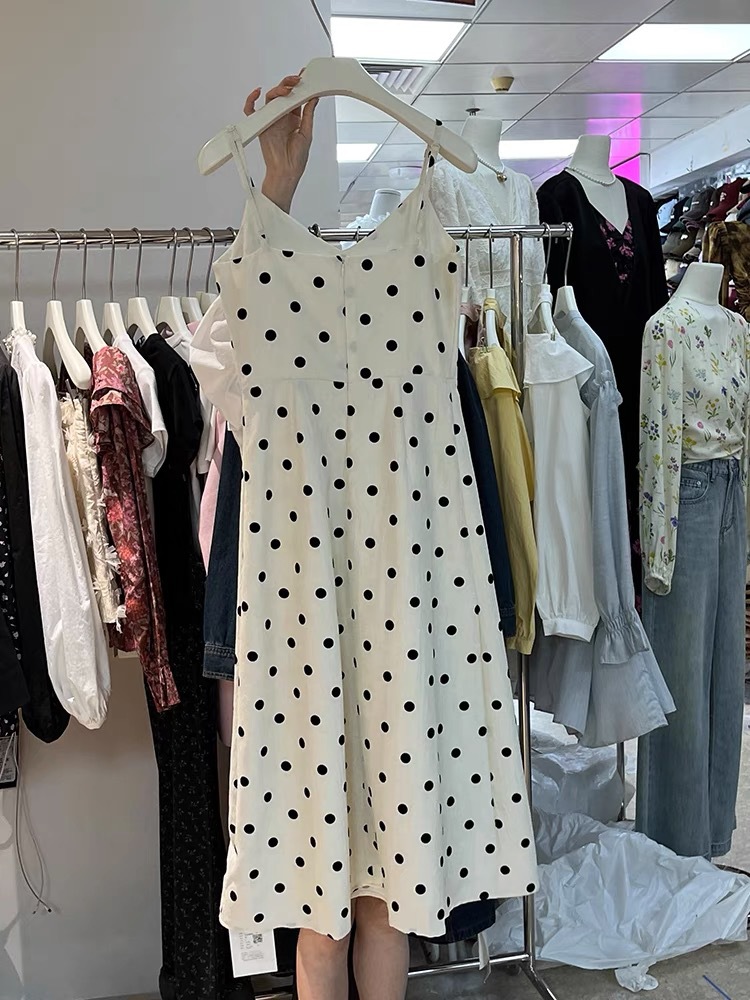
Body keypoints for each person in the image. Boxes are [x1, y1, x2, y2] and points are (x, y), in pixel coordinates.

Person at [241, 75, 410, 1000]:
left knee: (384, 901)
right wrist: (278, 185)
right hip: (301, 616)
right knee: (323, 911)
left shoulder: (429, 255)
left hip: (401, 604)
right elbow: (242, 312)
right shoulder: (257, 273)